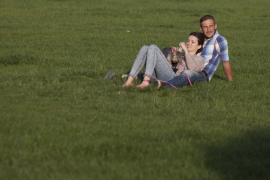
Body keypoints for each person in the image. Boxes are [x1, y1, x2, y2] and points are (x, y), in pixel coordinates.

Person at [155, 15, 233, 89]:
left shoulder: (220, 41)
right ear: (201, 28)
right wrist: (177, 52)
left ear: (215, 26)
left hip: (202, 74)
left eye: (210, 26)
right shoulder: (198, 38)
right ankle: (146, 77)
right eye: (205, 27)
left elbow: (225, 62)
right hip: (187, 66)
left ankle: (164, 85)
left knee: (187, 73)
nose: (208, 29)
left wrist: (231, 83)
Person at [122, 32, 205, 89]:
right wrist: (173, 55)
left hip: (172, 78)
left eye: (192, 42)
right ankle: (130, 80)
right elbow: (171, 66)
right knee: (145, 48)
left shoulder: (199, 59)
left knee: (153, 47)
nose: (188, 43)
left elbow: (192, 69)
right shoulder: (181, 53)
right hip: (161, 75)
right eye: (188, 41)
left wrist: (186, 51)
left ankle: (145, 81)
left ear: (199, 46)